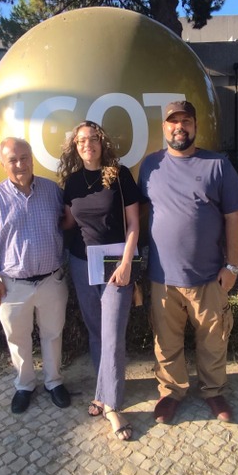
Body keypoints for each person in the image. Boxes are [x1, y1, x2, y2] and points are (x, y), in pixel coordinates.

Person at [138, 101, 238, 425]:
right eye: (173, 122)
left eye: (186, 121)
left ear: (195, 125)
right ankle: (170, 392)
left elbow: (234, 217)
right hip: (163, 277)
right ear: (164, 128)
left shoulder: (217, 165)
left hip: (208, 277)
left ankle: (214, 391)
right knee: (166, 342)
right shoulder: (150, 166)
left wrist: (232, 267)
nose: (179, 127)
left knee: (213, 341)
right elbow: (135, 214)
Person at [0, 137, 70, 414]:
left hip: (52, 279)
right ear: (3, 164)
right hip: (12, 285)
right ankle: (25, 385)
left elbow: (67, 225)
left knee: (53, 334)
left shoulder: (52, 191)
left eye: (24, 157)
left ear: (32, 158)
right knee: (18, 339)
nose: (20, 164)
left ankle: (54, 382)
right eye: (13, 160)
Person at [58, 121, 140, 441]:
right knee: (96, 332)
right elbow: (67, 221)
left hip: (116, 264)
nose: (87, 144)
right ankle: (102, 392)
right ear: (75, 147)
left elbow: (134, 224)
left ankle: (112, 406)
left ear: (102, 142)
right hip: (82, 264)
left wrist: (127, 262)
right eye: (81, 141)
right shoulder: (72, 182)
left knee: (113, 335)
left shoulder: (120, 175)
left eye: (92, 139)